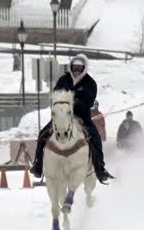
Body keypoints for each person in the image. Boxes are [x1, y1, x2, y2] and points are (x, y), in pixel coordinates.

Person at [30, 54, 114, 184]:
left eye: (79, 68)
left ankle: (100, 168)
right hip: (62, 116)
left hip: (83, 117)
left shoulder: (90, 83)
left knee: (95, 137)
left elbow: (89, 100)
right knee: (43, 134)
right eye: (74, 67)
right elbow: (56, 95)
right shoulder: (64, 80)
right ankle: (38, 165)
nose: (76, 70)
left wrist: (75, 102)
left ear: (84, 68)